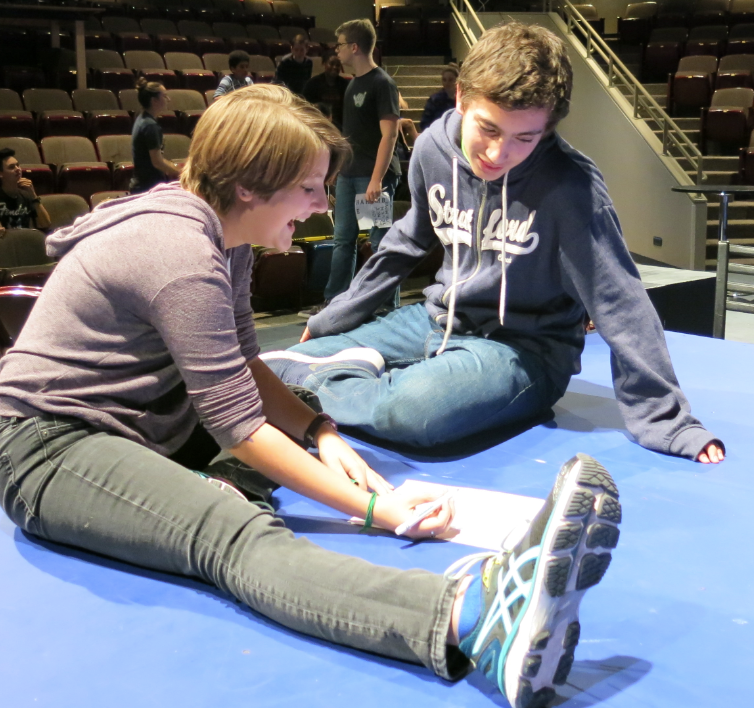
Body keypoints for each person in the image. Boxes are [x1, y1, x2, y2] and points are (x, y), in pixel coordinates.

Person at [0, 83, 622, 708]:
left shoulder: (224, 234)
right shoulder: (181, 253)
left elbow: (246, 365)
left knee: (289, 433)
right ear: (250, 186)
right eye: (309, 187)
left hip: (141, 420)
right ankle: (476, 617)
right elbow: (238, 427)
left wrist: (319, 432)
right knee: (229, 537)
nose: (323, 203)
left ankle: (211, 489)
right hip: (49, 447)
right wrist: (375, 511)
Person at [261, 22, 725, 465]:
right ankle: (361, 373)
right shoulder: (431, 150)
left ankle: (365, 383)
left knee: (412, 412)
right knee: (268, 367)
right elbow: (405, 241)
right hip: (435, 319)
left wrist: (667, 419)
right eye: (488, 128)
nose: (499, 153)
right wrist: (336, 317)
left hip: (524, 349)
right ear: (461, 96)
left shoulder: (571, 189)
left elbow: (619, 301)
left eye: (525, 137)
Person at [298, 19, 401, 318]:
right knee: (343, 239)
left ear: (354, 47)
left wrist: (376, 180)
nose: (337, 51)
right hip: (349, 174)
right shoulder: (352, 84)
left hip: (372, 178)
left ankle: (385, 305)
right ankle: (335, 303)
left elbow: (390, 135)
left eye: (340, 44)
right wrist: (337, 169)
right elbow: (351, 136)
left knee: (378, 241)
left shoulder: (382, 83)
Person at [129, 78, 181, 194]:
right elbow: (157, 162)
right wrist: (181, 174)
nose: (168, 99)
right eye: (164, 96)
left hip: (143, 185)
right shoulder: (150, 126)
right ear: (154, 100)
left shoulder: (142, 118)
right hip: (147, 188)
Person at [0, 148, 51, 234]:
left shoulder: (26, 195)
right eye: (11, 167)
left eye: (18, 165)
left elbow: (45, 224)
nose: (18, 169)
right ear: (1, 174)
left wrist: (33, 196)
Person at [302, 51, 349, 130]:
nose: (334, 67)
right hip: (317, 127)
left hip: (339, 128)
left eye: (337, 65)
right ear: (324, 64)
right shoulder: (312, 84)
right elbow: (305, 108)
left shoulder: (345, 85)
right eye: (331, 64)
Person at [419, 63, 459, 132]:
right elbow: (425, 123)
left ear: (457, 81)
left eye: (450, 80)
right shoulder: (435, 100)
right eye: (444, 80)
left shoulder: (463, 100)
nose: (447, 83)